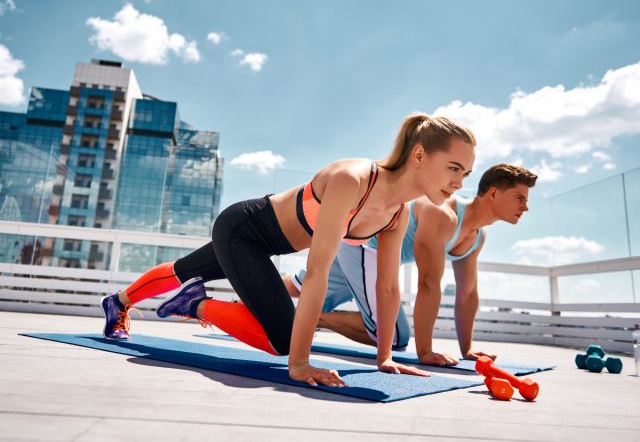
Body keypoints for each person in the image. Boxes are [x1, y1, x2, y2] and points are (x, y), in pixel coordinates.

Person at [100, 113, 476, 387]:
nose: (458, 183)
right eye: (454, 168)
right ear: (421, 156)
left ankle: (118, 301)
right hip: (244, 229)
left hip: (266, 244)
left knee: (184, 270)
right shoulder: (354, 179)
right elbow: (317, 272)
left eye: (466, 174)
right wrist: (300, 363)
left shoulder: (397, 212)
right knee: (283, 341)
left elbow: (389, 288)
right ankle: (192, 304)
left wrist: (385, 358)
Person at [285, 164, 537, 365]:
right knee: (394, 336)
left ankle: (248, 295)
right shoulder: (443, 214)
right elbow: (428, 282)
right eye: (519, 198)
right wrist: (425, 352)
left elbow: (467, 292)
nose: (525, 207)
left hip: (356, 249)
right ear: (493, 193)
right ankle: (315, 317)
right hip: (363, 245)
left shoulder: (477, 237)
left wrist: (467, 349)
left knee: (298, 287)